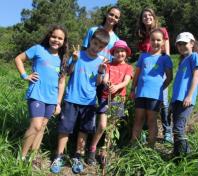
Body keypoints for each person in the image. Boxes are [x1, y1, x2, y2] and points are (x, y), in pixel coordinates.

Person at [50, 28, 110, 174]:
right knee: (65, 129)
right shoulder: (78, 55)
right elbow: (68, 73)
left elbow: (98, 83)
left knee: (84, 130)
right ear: (90, 41)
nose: (96, 48)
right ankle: (59, 156)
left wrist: (101, 71)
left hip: (89, 101)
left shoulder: (102, 61)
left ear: (104, 48)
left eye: (100, 47)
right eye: (95, 44)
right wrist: (75, 61)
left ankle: (78, 156)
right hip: (71, 98)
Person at [15, 25, 69, 160]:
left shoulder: (62, 59)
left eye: (60, 38)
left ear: (64, 41)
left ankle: (31, 158)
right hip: (37, 93)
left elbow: (61, 83)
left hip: (52, 98)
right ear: (49, 37)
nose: (56, 40)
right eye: (54, 37)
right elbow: (18, 59)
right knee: (36, 125)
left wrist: (58, 103)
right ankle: (20, 158)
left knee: (42, 127)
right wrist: (25, 75)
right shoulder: (38, 49)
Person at [86, 40, 133, 165]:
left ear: (126, 53)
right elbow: (104, 79)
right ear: (113, 53)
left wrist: (117, 87)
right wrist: (108, 83)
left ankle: (104, 152)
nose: (120, 53)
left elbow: (126, 81)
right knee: (102, 125)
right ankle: (92, 149)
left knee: (112, 128)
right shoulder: (108, 65)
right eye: (117, 51)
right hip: (105, 98)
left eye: (122, 51)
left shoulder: (128, 67)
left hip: (118, 100)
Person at [130, 28, 173, 147]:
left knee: (151, 121)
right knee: (138, 119)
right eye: (153, 40)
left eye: (158, 40)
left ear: (163, 42)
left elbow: (169, 77)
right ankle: (133, 145)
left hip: (155, 95)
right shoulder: (143, 56)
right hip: (140, 94)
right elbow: (137, 74)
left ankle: (150, 147)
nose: (155, 42)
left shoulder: (165, 58)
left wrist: (160, 88)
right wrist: (133, 89)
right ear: (149, 41)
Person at [171, 32, 198, 157]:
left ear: (192, 44)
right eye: (179, 44)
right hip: (177, 100)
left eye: (184, 43)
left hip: (186, 100)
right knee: (176, 129)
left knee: (179, 128)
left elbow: (196, 76)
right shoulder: (182, 61)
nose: (181, 46)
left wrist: (189, 95)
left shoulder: (194, 56)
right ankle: (178, 153)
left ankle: (184, 157)